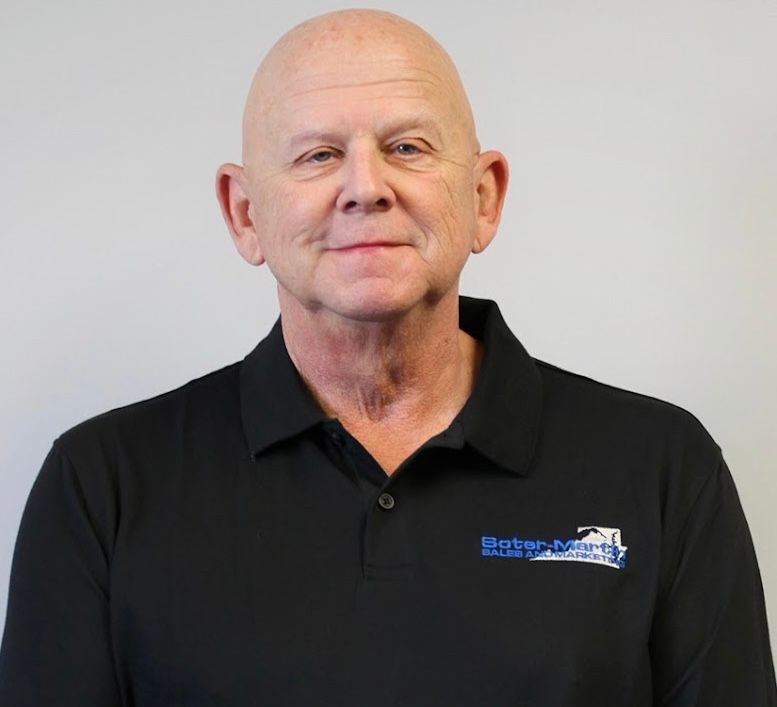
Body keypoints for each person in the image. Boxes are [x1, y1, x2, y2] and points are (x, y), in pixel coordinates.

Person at [0, 8, 775, 706]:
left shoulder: (663, 470)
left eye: (406, 147)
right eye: (316, 155)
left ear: (483, 197)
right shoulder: (100, 488)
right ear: (244, 213)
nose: (364, 187)